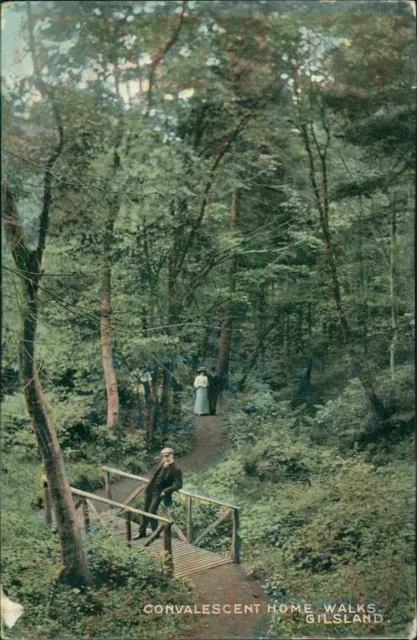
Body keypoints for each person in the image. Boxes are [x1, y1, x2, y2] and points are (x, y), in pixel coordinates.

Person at [135, 447, 182, 539]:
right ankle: (141, 532)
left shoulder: (176, 469)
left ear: (172, 455)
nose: (165, 458)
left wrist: (166, 491)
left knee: (152, 511)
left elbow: (178, 484)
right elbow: (155, 475)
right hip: (151, 489)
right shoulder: (162, 463)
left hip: (159, 492)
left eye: (167, 456)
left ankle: (155, 533)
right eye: (164, 456)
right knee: (145, 510)